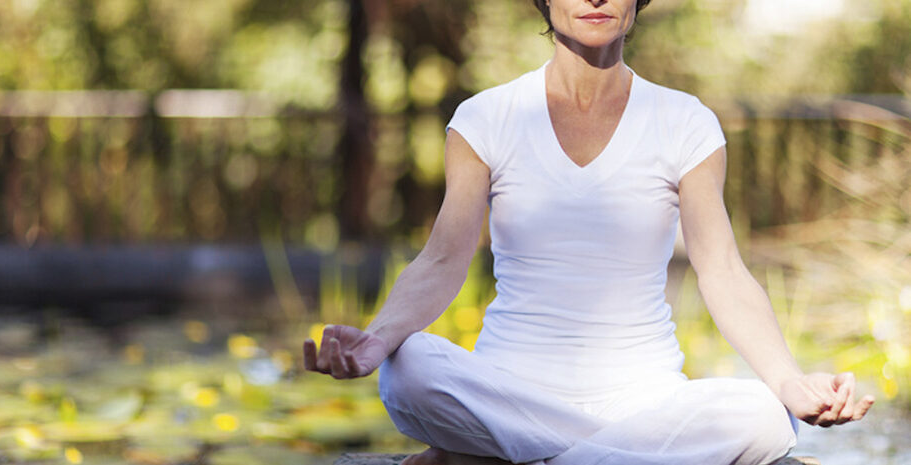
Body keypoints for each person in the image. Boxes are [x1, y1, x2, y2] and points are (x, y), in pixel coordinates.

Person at [302, 0, 876, 463]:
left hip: (647, 401)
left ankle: (492, 457)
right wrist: (378, 339)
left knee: (763, 414)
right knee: (410, 371)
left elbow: (723, 272)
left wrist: (790, 381)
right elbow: (441, 262)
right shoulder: (486, 118)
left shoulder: (685, 122)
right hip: (508, 389)